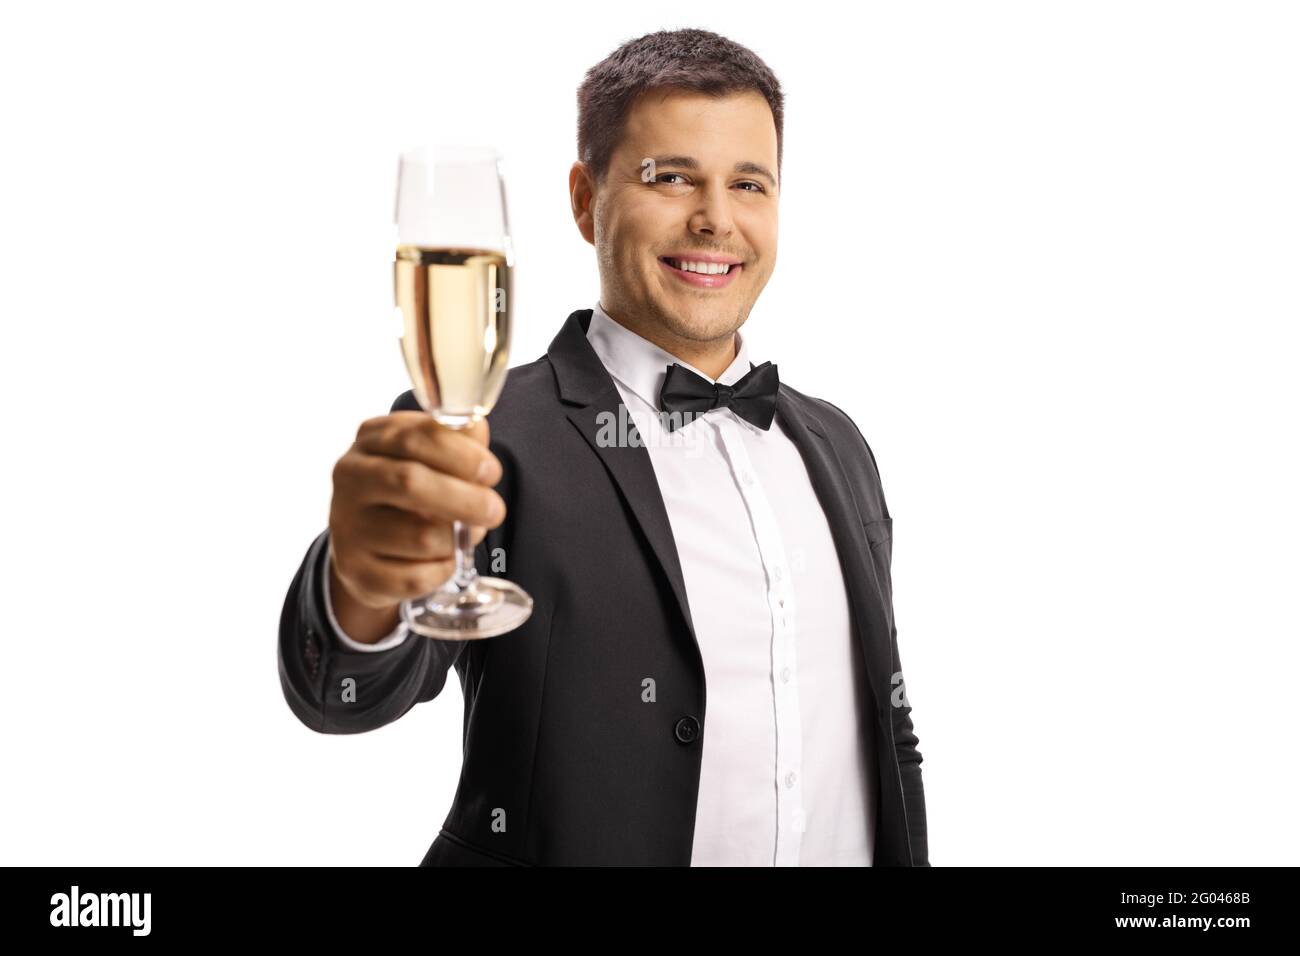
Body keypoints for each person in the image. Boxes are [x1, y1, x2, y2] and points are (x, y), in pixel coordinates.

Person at [278, 27, 929, 867]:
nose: (715, 219)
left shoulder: (838, 444)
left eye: (749, 184)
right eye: (671, 177)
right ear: (585, 200)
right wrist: (357, 587)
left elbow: (885, 725)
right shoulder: (486, 429)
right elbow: (345, 693)